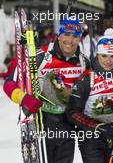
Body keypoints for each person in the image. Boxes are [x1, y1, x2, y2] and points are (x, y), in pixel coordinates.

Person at [3, 17, 90, 163]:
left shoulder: (83, 62)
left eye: (75, 36)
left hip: (68, 127)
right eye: (67, 34)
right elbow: (9, 83)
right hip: (42, 124)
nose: (70, 40)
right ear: (59, 35)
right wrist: (24, 99)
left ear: (80, 38)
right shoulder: (40, 56)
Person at [67, 28, 113, 163]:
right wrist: (98, 127)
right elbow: (72, 112)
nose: (108, 61)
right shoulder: (87, 78)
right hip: (91, 138)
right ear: (97, 55)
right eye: (104, 55)